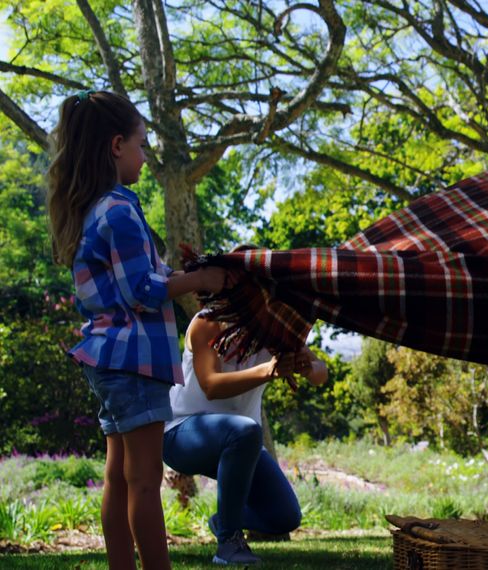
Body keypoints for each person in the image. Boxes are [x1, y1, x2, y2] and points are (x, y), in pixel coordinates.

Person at [48, 90, 228, 570]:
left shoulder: (92, 211)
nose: (146, 156)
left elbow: (138, 281)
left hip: (107, 360)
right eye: (142, 144)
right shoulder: (120, 209)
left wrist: (180, 274)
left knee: (120, 479)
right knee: (146, 479)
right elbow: (142, 291)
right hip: (134, 360)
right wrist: (200, 281)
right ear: (116, 146)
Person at [163, 247, 328, 565]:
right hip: (182, 434)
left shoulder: (277, 329)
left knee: (284, 516)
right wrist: (269, 370)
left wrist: (307, 367)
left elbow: (321, 373)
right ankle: (228, 544)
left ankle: (222, 522)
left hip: (243, 440)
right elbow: (210, 385)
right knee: (246, 430)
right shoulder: (208, 322)